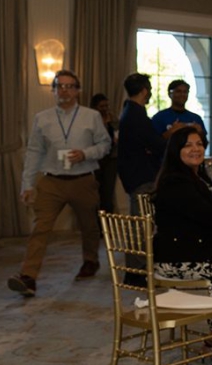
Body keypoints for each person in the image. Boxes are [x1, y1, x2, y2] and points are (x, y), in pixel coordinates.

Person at [9, 71, 111, 296]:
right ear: (53, 90)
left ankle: (90, 261)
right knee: (40, 228)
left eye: (70, 86)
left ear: (78, 90)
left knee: (89, 226)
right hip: (51, 181)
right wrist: (27, 184)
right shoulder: (42, 118)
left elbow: (105, 145)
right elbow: (34, 152)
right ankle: (28, 277)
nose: (64, 90)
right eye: (60, 86)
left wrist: (85, 153)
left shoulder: (91, 116)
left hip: (83, 180)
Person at [151, 126, 212, 298]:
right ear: (176, 151)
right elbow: (210, 217)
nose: (196, 149)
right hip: (178, 257)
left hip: (197, 249)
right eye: (188, 145)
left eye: (199, 144)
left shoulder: (198, 177)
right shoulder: (175, 183)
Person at [118, 73, 167, 214]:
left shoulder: (129, 111)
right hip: (142, 175)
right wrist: (169, 135)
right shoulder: (137, 116)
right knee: (143, 219)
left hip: (133, 173)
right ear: (145, 91)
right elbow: (157, 145)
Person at [151, 79, 208, 145]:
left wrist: (200, 132)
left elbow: (205, 143)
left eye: (185, 92)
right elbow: (153, 143)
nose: (182, 94)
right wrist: (171, 132)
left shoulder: (196, 118)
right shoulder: (159, 118)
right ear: (170, 94)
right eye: (178, 91)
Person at [90, 93, 119, 213]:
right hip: (96, 160)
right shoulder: (91, 121)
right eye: (102, 106)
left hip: (111, 159)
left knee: (108, 191)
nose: (105, 109)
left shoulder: (113, 120)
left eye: (107, 106)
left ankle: (108, 216)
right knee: (97, 191)